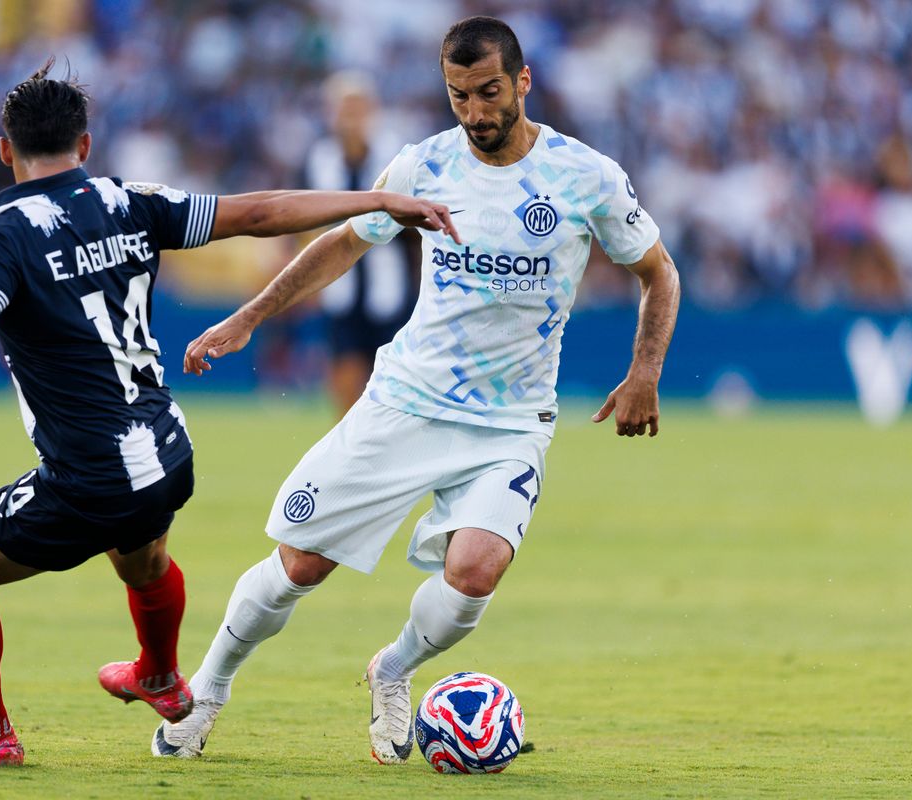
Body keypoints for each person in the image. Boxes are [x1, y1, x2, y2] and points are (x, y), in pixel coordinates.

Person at [0, 59, 458, 766]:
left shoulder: (2, 233)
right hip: (168, 452)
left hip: (90, 474)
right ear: (84, 145)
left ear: (5, 150)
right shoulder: (127, 199)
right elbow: (259, 213)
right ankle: (162, 676)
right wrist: (374, 201)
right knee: (138, 554)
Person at [154, 16, 680, 763]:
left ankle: (392, 669)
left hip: (510, 421)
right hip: (405, 401)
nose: (476, 112)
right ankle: (205, 691)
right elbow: (343, 240)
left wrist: (646, 372)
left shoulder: (585, 176)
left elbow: (657, 270)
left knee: (474, 572)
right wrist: (249, 317)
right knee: (299, 565)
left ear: (524, 82)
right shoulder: (422, 167)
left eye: (490, 92)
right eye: (459, 96)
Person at [303, 72, 417, 414]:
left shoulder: (396, 156)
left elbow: (416, 229)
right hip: (340, 282)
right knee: (345, 372)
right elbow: (305, 220)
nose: (350, 118)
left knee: (393, 380)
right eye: (343, 109)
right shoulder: (319, 158)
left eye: (358, 109)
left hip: (390, 283)